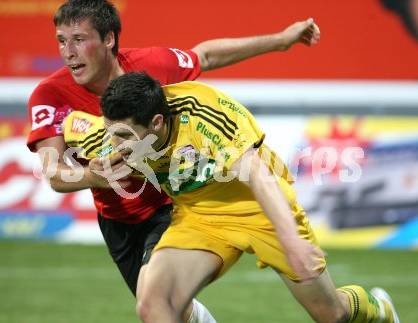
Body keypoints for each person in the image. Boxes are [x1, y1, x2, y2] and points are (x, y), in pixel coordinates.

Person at [26, 0, 321, 321]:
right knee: (159, 310)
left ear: (108, 39)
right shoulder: (50, 96)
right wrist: (93, 177)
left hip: (176, 202)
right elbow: (53, 173)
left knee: (159, 304)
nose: (68, 51)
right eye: (61, 41)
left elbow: (204, 56)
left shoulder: (151, 65)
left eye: (79, 39)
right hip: (120, 220)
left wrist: (281, 40)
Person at [63, 72, 401, 323]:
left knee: (334, 315)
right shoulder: (110, 137)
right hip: (198, 217)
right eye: (110, 132)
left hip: (261, 209)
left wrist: (291, 239)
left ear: (156, 122)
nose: (115, 143)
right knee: (153, 303)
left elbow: (259, 176)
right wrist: (92, 174)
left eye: (123, 135)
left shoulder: (205, 115)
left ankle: (380, 310)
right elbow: (60, 163)